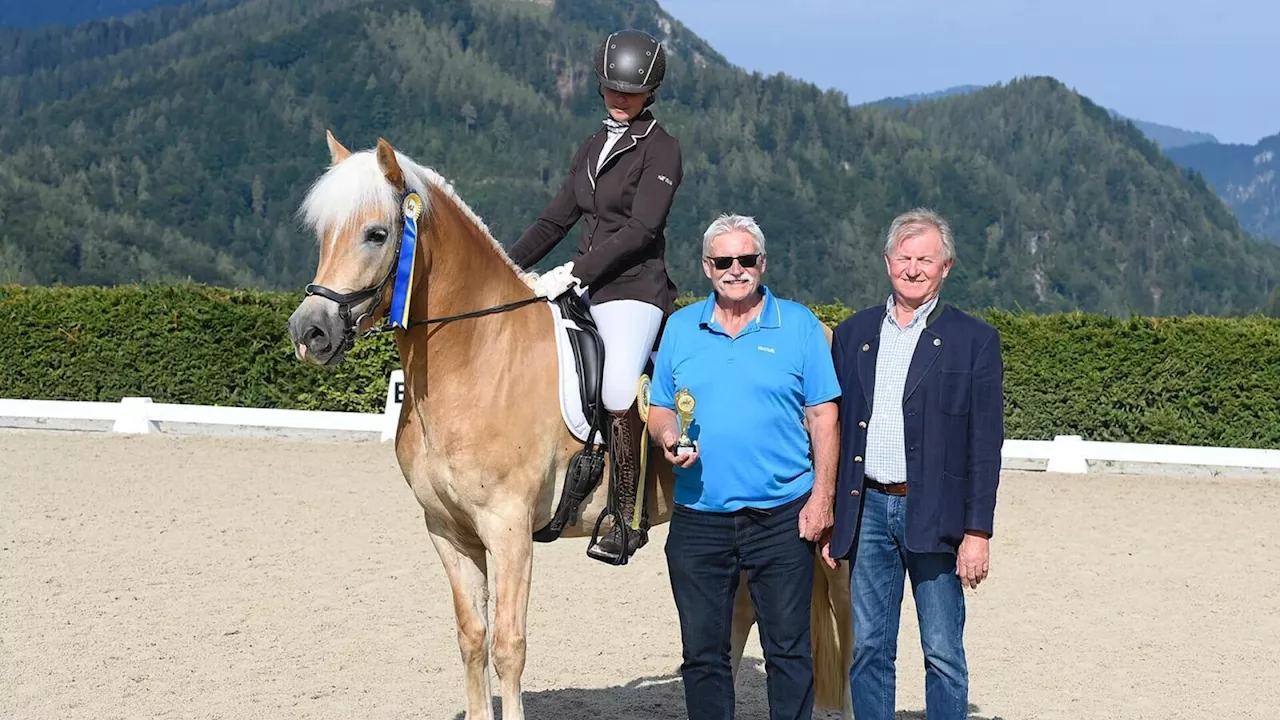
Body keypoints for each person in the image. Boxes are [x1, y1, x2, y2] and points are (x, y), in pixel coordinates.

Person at [646, 213, 841, 719]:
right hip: (698, 516)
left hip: (781, 516)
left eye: (747, 259)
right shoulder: (680, 327)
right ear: (708, 267)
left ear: (763, 263)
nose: (737, 269)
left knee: (789, 653)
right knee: (703, 656)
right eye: (725, 261)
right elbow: (662, 406)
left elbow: (823, 416)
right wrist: (668, 436)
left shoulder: (798, 325)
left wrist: (822, 499)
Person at [506, 28, 683, 565]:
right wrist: (505, 268)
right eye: (612, 89)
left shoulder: (662, 149)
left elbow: (641, 230)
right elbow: (555, 219)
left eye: (630, 92)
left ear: (649, 91)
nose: (619, 98)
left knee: (616, 384)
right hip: (584, 285)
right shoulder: (591, 146)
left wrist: (574, 273)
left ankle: (627, 518)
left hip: (632, 289)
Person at [823, 208, 1005, 720]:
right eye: (904, 257)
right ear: (887, 262)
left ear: (946, 266)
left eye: (925, 258)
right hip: (869, 512)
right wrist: (832, 510)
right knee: (868, 650)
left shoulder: (976, 340)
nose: (913, 267)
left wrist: (978, 531)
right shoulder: (854, 333)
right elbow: (833, 428)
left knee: (943, 653)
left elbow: (985, 446)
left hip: (937, 515)